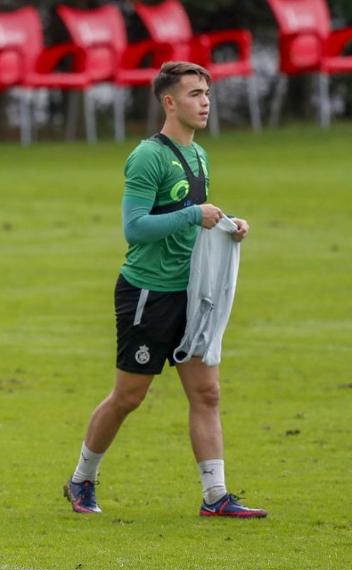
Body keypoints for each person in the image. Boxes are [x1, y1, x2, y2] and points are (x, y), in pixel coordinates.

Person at [63, 62, 266, 519]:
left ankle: (215, 497)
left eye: (208, 93)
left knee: (207, 393)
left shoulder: (200, 156)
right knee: (129, 397)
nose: (206, 101)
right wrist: (197, 217)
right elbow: (135, 229)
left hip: (192, 295)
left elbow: (190, 214)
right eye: (195, 94)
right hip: (148, 295)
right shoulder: (147, 156)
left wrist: (228, 226)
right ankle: (81, 480)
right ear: (169, 102)